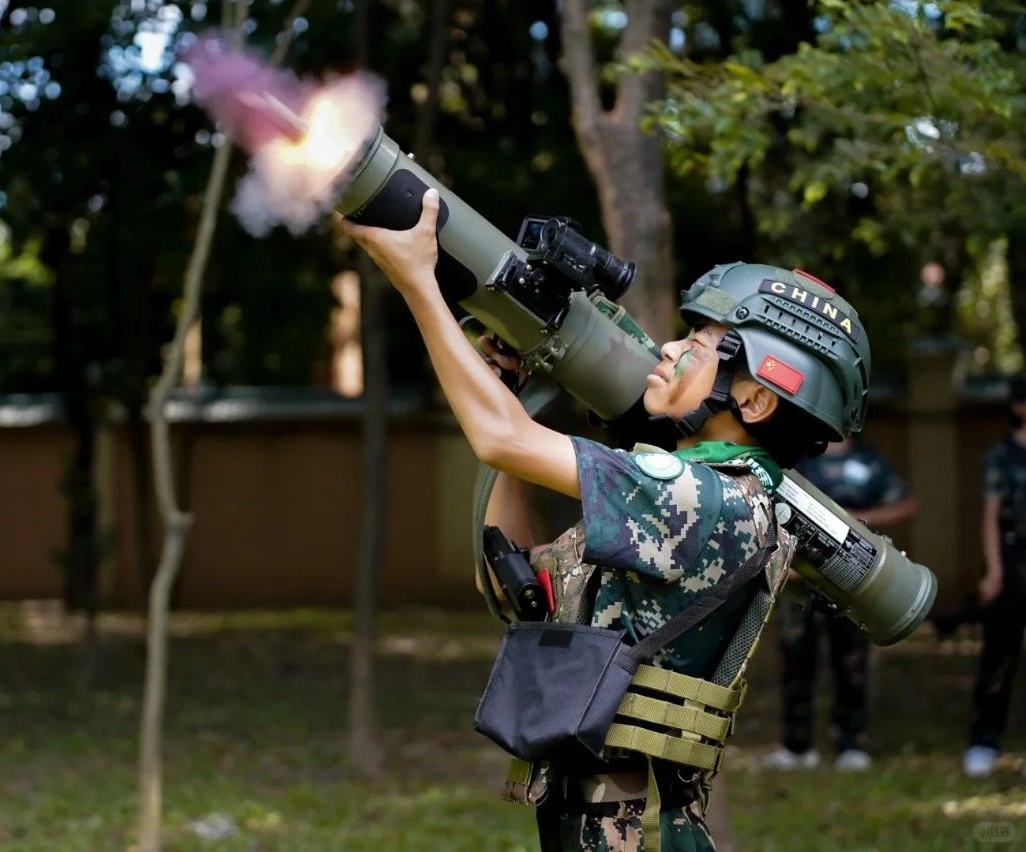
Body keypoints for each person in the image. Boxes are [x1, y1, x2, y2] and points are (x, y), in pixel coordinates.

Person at [344, 189, 872, 851]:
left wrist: (418, 281)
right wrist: (513, 401)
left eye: (700, 345)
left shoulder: (702, 497)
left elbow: (498, 440)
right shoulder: (703, 496)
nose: (670, 348)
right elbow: (521, 582)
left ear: (756, 398)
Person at [762, 438, 917, 773]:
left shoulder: (869, 462)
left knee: (852, 662)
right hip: (801, 582)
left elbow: (906, 505)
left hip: (852, 584)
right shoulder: (798, 460)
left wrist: (857, 520)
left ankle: (852, 744)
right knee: (796, 661)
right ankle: (796, 746)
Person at [963, 376, 1026, 778]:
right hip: (1012, 554)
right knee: (1000, 655)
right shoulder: (1002, 455)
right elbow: (990, 514)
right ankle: (984, 742)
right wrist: (995, 570)